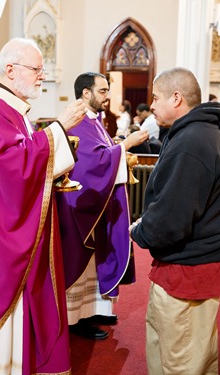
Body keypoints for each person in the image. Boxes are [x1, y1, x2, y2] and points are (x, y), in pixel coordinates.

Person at [0, 37, 87, 374]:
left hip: (5, 229)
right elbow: (12, 170)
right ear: (10, 70)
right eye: (36, 69)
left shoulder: (8, 109)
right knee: (3, 316)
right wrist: (59, 128)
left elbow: (22, 164)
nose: (43, 75)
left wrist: (51, 172)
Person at [130, 67, 220, 375]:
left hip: (187, 270)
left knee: (179, 361)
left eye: (156, 98)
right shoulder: (200, 133)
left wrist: (140, 230)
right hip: (197, 263)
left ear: (177, 98)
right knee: (196, 356)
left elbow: (172, 218)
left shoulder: (192, 142)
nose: (152, 105)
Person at [56, 72, 149, 340]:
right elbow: (90, 165)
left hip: (96, 206)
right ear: (86, 93)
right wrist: (126, 145)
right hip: (79, 209)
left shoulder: (93, 120)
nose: (108, 96)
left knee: (96, 261)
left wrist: (118, 151)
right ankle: (77, 319)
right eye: (103, 91)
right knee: (82, 262)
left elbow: (103, 154)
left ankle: (94, 310)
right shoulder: (77, 121)